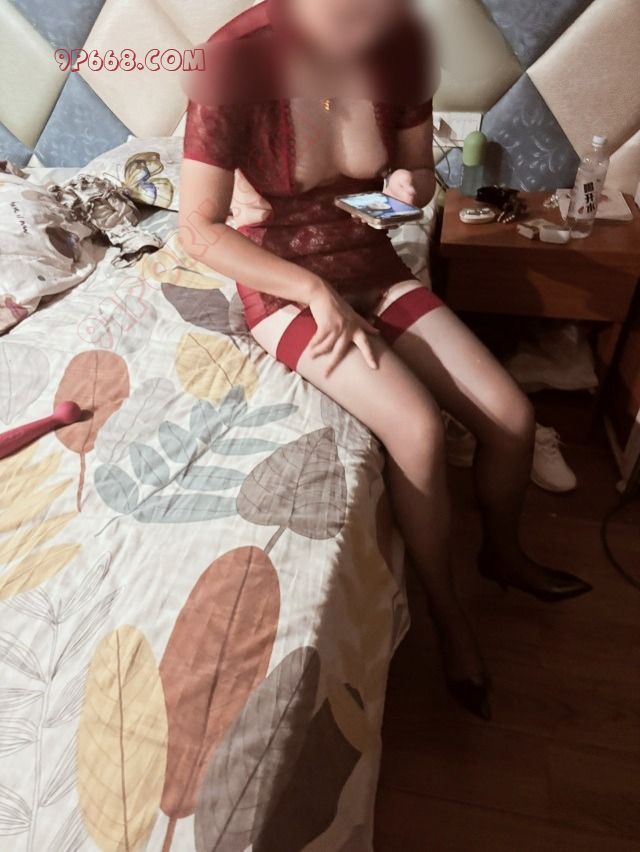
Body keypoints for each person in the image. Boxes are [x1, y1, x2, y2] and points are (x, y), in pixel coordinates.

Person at [178, 0, 591, 720]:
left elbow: (419, 174)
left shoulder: (399, 42)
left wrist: (411, 187)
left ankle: (502, 553)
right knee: (418, 430)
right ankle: (447, 617)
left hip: (371, 262)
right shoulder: (233, 60)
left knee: (512, 417)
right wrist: (313, 293)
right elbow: (197, 228)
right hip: (285, 285)